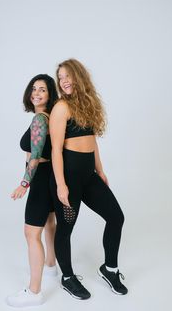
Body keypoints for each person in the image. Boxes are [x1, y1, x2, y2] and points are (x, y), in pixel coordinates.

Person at [49, 59, 128, 300]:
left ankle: (110, 269)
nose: (63, 80)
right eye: (60, 77)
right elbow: (55, 150)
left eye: (67, 75)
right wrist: (61, 184)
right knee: (66, 228)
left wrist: (100, 170)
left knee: (116, 217)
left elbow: (92, 143)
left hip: (88, 177)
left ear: (78, 76)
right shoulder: (61, 107)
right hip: (68, 180)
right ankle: (68, 277)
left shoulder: (88, 105)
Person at [6, 74, 58, 308]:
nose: (36, 93)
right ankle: (51, 267)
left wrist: (24, 184)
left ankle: (34, 291)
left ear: (50, 95)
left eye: (43, 90)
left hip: (41, 178)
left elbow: (35, 157)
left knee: (31, 233)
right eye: (34, 89)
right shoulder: (48, 117)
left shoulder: (40, 119)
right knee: (48, 223)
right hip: (51, 178)